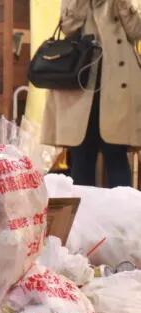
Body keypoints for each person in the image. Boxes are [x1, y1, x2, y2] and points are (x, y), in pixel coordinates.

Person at [42, 0, 141, 188]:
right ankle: (82, 215)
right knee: (81, 156)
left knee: (116, 154)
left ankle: (121, 215)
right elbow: (68, 27)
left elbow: (136, 30)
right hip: (81, 83)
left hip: (118, 86)